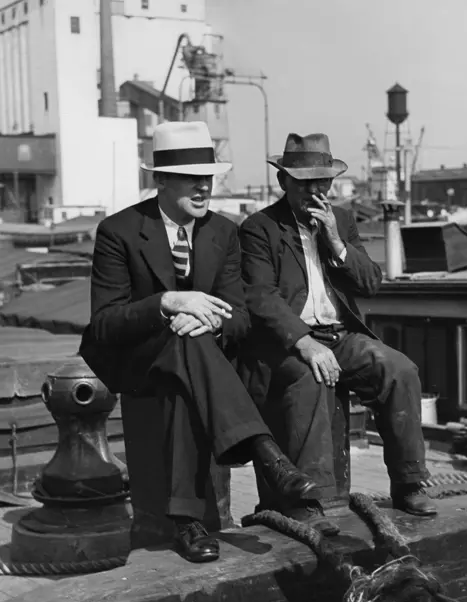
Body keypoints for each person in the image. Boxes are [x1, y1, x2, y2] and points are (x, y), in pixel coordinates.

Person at [79, 122, 319, 564]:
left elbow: (241, 317)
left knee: (187, 361)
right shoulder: (120, 231)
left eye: (207, 176)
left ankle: (187, 522)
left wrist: (204, 322)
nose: (203, 186)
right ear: (161, 181)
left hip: (194, 360)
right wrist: (169, 303)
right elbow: (105, 325)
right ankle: (268, 455)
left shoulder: (223, 233)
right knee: (183, 343)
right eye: (192, 177)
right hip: (137, 357)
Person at [239, 131, 437, 530]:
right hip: (290, 342)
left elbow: (370, 283)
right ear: (284, 182)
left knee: (398, 370)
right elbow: (261, 297)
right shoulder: (259, 228)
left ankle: (410, 482)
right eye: (305, 183)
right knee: (310, 380)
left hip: (340, 336)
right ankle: (312, 501)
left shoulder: (342, 220)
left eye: (323, 182)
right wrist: (306, 343)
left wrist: (334, 241)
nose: (316, 191)